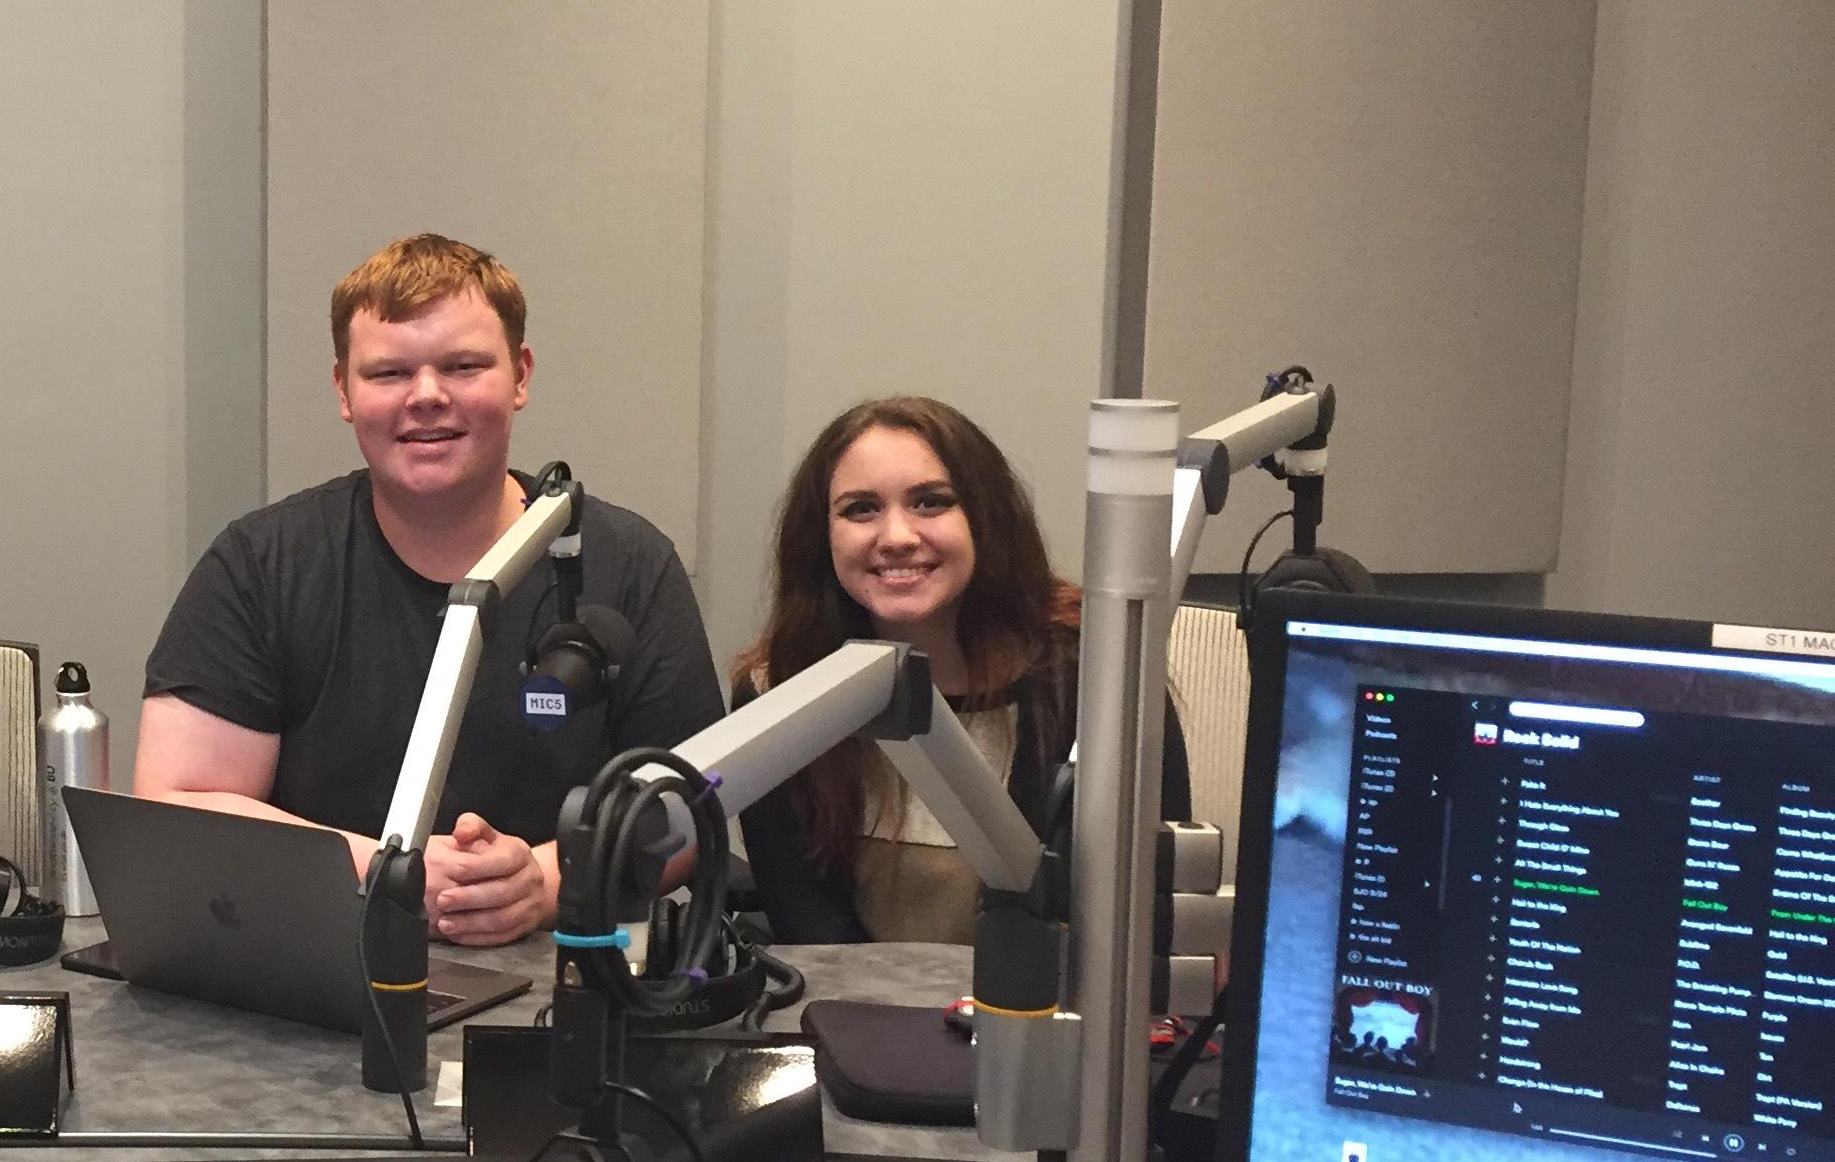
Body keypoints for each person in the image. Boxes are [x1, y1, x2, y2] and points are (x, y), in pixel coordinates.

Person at [137, 232, 724, 947]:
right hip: (322, 977)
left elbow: (691, 808)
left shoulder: (629, 563)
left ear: (521, 375)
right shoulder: (261, 564)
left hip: (567, 977)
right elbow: (180, 804)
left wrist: (544, 882)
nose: (426, 397)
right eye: (388, 373)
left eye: (464, 365)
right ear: (343, 391)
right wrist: (390, 871)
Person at [732, 395, 1187, 945]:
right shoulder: (776, 695)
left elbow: (1137, 924)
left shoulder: (1100, 683)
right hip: (849, 1013)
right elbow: (809, 927)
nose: (896, 537)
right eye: (861, 509)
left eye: (930, 502)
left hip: (1045, 1017)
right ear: (821, 537)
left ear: (986, 518)